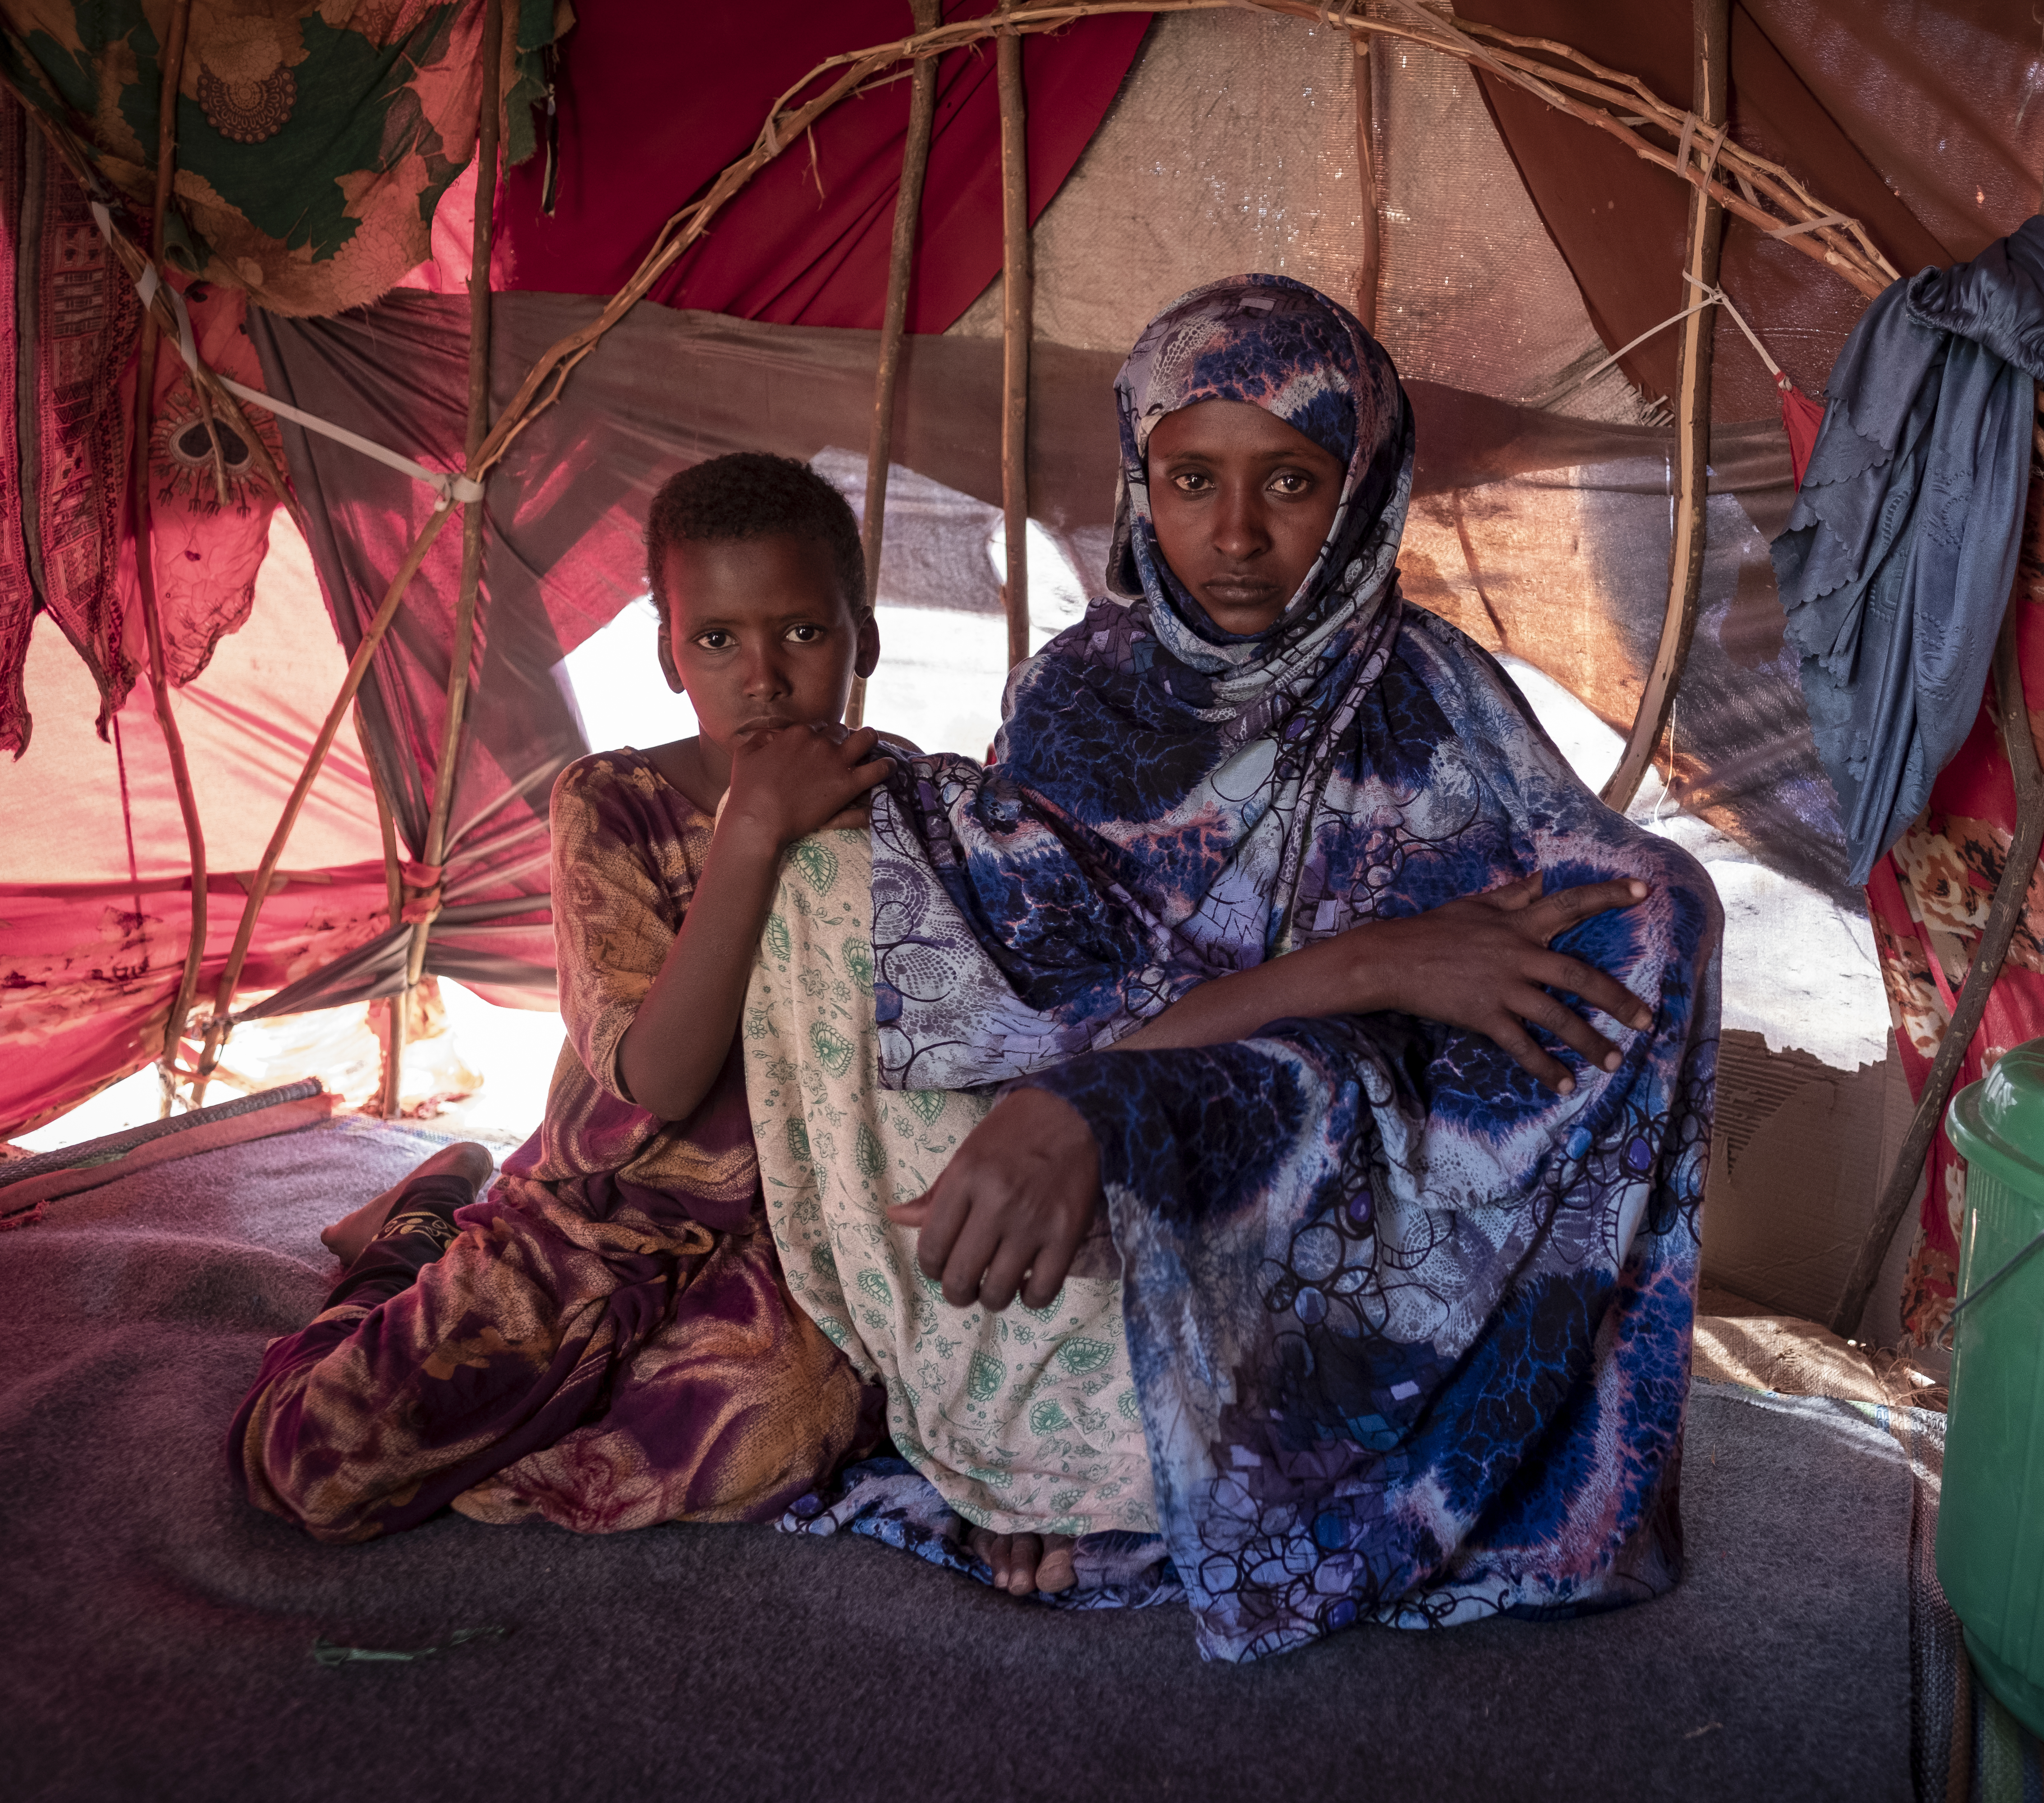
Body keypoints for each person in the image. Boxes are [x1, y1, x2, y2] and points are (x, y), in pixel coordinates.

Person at [760, 275, 1721, 1661]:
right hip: (1065, 1192)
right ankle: (1007, 1439)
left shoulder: (1429, 704)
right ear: (1139, 479)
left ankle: (1126, 1475)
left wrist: (1184, 1068)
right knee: (827, 889)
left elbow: (1629, 910)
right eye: (1191, 477)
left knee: (1649, 923)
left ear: (1368, 490)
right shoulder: (1079, 695)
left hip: (1295, 1214)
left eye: (1293, 480)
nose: (1236, 532)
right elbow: (1046, 987)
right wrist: (1351, 967)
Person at [230, 453, 898, 1540]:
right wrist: (751, 826)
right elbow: (662, 1078)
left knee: (777, 1430)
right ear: (670, 656)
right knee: (314, 1469)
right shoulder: (613, 804)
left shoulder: (905, 803)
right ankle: (423, 1223)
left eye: (803, 633)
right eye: (717, 640)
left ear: (861, 635)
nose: (762, 677)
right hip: (603, 1216)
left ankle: (575, 1392)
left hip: (794, 1228)